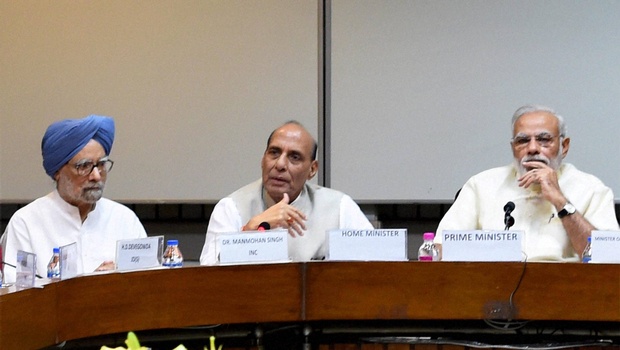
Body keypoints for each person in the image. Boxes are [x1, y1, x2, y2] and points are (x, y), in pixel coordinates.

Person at [435, 105, 619, 261]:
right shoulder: (482, 185)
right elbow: (440, 249)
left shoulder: (591, 189)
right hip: (492, 287)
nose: (532, 149)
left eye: (544, 140)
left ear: (564, 146)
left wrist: (560, 201)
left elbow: (607, 257)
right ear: (513, 147)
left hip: (568, 289)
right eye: (522, 141)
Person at [200, 121, 373, 265]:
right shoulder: (231, 208)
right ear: (263, 159)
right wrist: (251, 230)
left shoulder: (340, 206)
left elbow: (376, 263)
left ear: (312, 170)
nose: (280, 164)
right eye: (274, 153)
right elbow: (208, 278)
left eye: (294, 157)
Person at [1, 115, 147, 283]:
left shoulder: (124, 219)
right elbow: (17, 294)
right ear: (57, 172)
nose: (96, 175)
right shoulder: (26, 223)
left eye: (101, 165)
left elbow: (148, 283)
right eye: (83, 166)